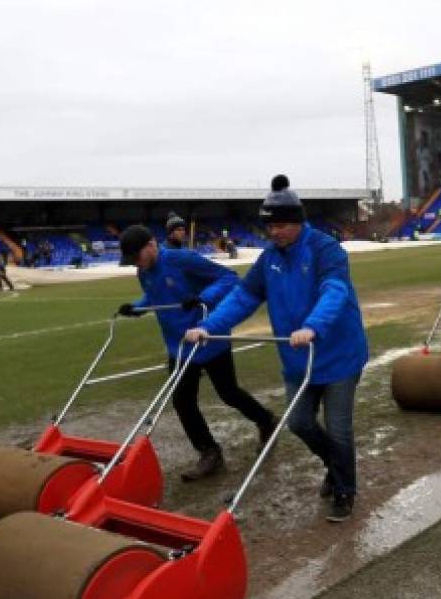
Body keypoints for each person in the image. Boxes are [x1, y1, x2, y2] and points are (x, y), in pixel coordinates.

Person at [185, 176, 369, 522]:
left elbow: (334, 290)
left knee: (339, 427)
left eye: (281, 224)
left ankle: (345, 490)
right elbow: (243, 297)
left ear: (299, 222)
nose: (274, 232)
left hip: (338, 354)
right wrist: (209, 327)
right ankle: (336, 465)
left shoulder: (325, 250)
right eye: (270, 225)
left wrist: (313, 326)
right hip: (297, 360)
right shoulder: (268, 259)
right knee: (299, 423)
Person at [117, 225, 278, 481]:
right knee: (182, 401)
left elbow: (229, 278)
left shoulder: (182, 259)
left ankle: (266, 420)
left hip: (207, 338)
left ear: (151, 245)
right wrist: (137, 308)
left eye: (137, 257)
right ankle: (209, 452)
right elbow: (154, 295)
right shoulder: (143, 270)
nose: (136, 264)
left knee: (229, 393)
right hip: (178, 345)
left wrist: (203, 298)